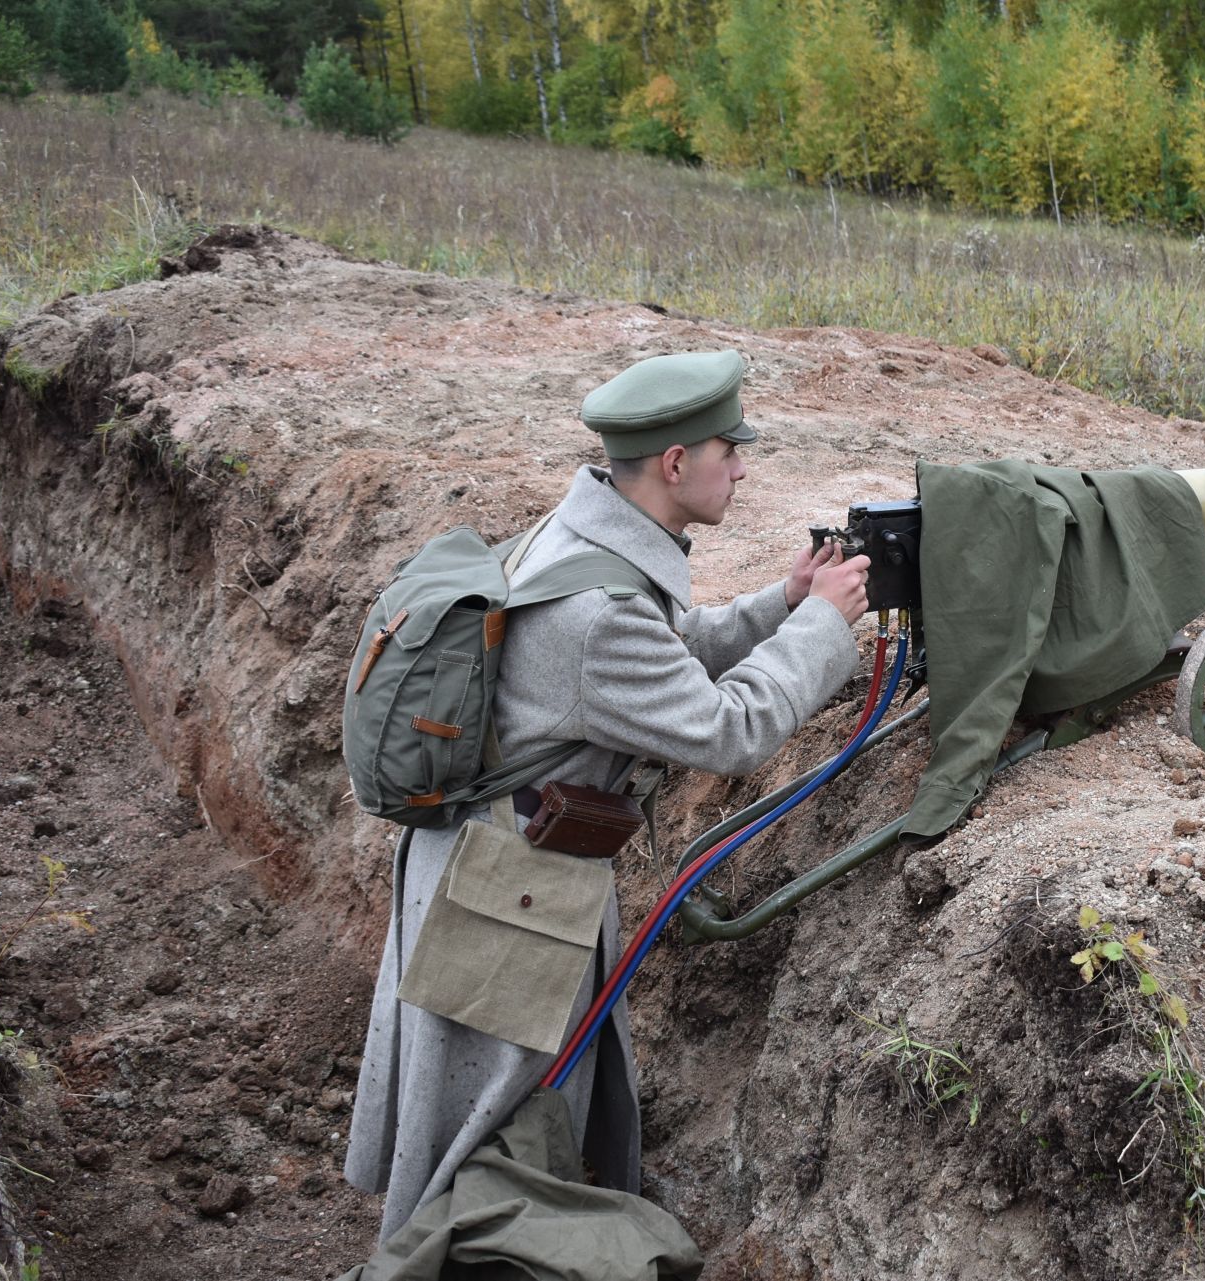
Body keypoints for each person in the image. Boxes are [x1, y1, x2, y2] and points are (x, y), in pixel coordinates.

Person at [343, 349, 872, 1242]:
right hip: (504, 903)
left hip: (491, 868)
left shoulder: (588, 533)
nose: (741, 468)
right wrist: (825, 623)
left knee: (485, 1118)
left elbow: (666, 649)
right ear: (675, 464)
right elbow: (731, 730)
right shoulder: (599, 615)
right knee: (491, 1129)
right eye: (728, 450)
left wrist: (780, 603)